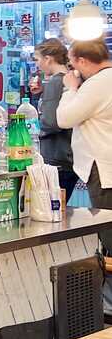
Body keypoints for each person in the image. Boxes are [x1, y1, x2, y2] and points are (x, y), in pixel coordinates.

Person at [56, 40, 112, 259]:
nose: (72, 70)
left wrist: (70, 88)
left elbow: (64, 118)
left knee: (108, 232)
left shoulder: (98, 83)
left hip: (103, 170)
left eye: (72, 64)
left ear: (82, 60)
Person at [32, 39, 77, 200]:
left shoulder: (55, 83)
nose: (37, 65)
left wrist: (34, 130)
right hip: (70, 157)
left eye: (38, 59)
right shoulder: (71, 80)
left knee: (54, 210)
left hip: (56, 159)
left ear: (48, 59)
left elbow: (51, 122)